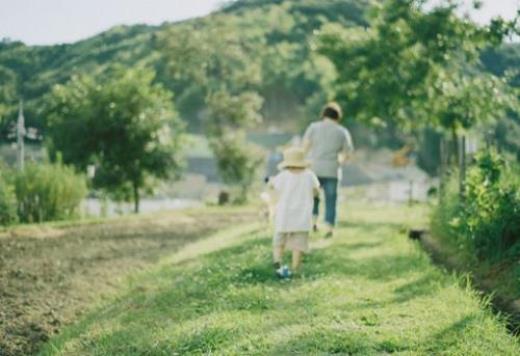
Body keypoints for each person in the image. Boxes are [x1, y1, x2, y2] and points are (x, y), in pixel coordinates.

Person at [303, 102, 354, 238]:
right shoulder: (342, 131)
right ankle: (329, 228)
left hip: (314, 168)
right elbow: (347, 153)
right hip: (332, 169)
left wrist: (303, 162)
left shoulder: (313, 127)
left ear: (324, 114)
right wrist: (340, 161)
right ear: (337, 116)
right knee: (331, 199)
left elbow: (305, 147)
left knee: (313, 197)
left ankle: (312, 222)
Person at [268, 146, 320, 278]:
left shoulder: (283, 176)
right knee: (299, 244)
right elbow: (316, 191)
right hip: (302, 215)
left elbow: (273, 187)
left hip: (284, 214)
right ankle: (295, 267)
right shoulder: (309, 175)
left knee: (279, 240)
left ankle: (277, 262)